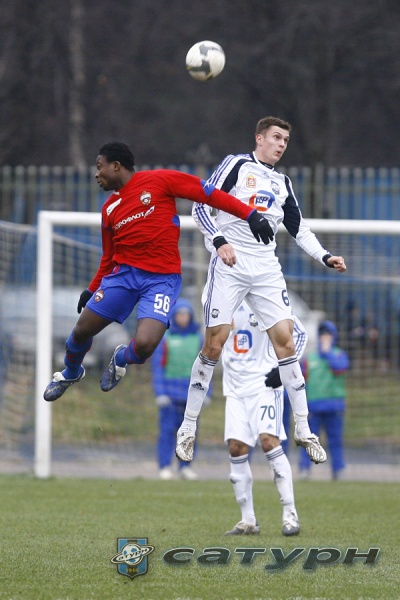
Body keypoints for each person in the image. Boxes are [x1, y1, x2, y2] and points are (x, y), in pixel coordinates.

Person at [43, 142, 274, 402]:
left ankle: (121, 358)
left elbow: (208, 194)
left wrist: (250, 214)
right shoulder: (109, 209)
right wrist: (92, 288)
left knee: (144, 346)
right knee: (81, 331)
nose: (97, 174)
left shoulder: (160, 180)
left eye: (100, 167)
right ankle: (71, 372)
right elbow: (108, 257)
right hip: (124, 277)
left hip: (161, 281)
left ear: (116, 166)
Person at [176, 116, 347, 465]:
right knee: (213, 345)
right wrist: (219, 241)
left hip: (266, 269)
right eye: (276, 137)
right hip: (231, 265)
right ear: (259, 138)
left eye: (285, 140)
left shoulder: (283, 182)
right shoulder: (237, 166)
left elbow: (299, 229)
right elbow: (200, 206)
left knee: (287, 343)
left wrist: (325, 255)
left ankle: (303, 429)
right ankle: (188, 427)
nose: (281, 144)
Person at [222, 300, 307, 537]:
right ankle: (248, 520)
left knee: (269, 441)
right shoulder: (223, 296)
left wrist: (285, 369)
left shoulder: (267, 295)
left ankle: (290, 515)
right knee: (236, 448)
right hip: (234, 388)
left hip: (265, 385)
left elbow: (300, 334)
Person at [151, 298, 210, 480]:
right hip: (170, 395)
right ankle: (165, 465)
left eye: (186, 314)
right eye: (180, 314)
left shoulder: (198, 339)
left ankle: (185, 466)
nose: (183, 318)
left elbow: (206, 367)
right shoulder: (166, 338)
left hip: (191, 395)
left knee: (189, 431)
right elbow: (158, 367)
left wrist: (207, 392)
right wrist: (160, 392)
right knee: (167, 431)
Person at [298, 320, 349, 480]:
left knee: (335, 440)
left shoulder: (339, 355)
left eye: (328, 335)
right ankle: (305, 469)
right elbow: (301, 380)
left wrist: (328, 353)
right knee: (309, 440)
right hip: (314, 406)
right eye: (322, 334)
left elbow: (339, 368)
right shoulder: (310, 358)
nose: (325, 338)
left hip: (334, 405)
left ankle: (338, 469)